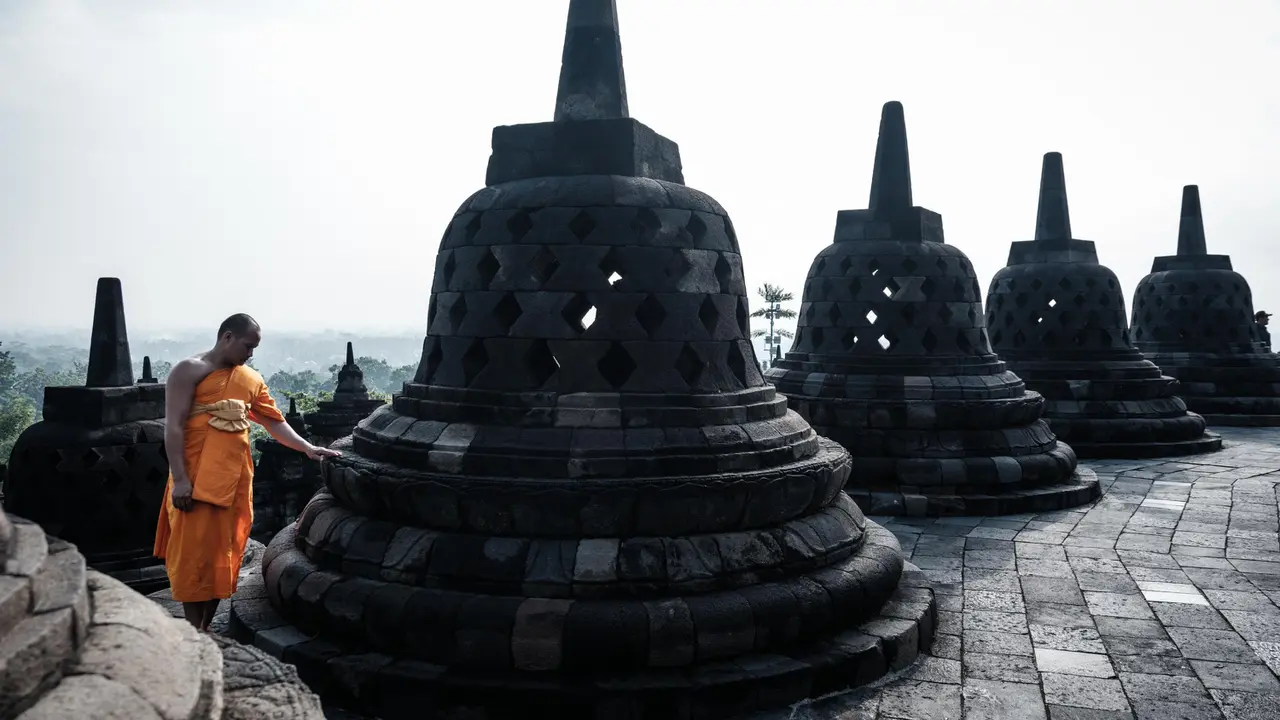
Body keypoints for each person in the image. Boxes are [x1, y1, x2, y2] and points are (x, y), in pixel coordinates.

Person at [153, 313, 340, 631]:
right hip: (195, 478)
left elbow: (274, 422)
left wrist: (307, 448)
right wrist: (181, 480)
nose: (250, 354)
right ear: (227, 337)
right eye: (248, 346)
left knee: (222, 554)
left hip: (234, 478)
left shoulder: (248, 380)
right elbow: (173, 427)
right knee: (192, 553)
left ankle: (205, 628)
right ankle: (191, 627)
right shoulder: (188, 371)